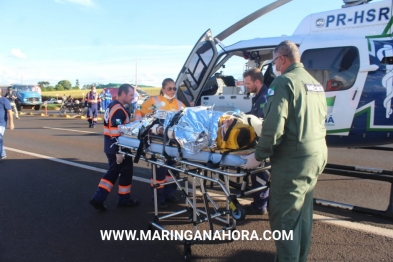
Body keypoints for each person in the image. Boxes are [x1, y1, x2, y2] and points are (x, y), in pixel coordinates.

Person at [242, 40, 327, 261]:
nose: (275, 67)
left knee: (285, 218)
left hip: (293, 161)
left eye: (274, 62)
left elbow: (273, 126)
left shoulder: (283, 83)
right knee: (303, 214)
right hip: (316, 156)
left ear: (281, 59)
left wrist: (258, 156)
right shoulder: (314, 83)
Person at [134, 78, 185, 209]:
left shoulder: (179, 104)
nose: (172, 91)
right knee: (160, 171)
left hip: (174, 142)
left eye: (174, 88)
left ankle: (169, 193)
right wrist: (140, 127)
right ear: (163, 89)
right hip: (158, 142)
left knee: (173, 170)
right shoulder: (153, 101)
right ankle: (158, 197)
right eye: (169, 88)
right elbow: (139, 111)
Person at [90, 83, 139, 211]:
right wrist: (119, 151)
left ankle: (101, 198)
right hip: (117, 147)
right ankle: (118, 199)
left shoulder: (114, 105)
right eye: (131, 94)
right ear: (123, 93)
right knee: (121, 172)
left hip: (112, 146)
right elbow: (114, 130)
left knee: (116, 172)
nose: (133, 97)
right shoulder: (118, 109)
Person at [242, 68, 269, 215]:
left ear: (257, 82)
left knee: (260, 173)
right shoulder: (259, 96)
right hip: (260, 142)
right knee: (262, 174)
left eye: (248, 83)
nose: (246, 86)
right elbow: (253, 116)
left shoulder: (264, 98)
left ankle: (260, 205)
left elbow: (261, 122)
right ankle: (265, 202)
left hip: (261, 143)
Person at [0, 91, 15, 160]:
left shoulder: (4, 100)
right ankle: (2, 153)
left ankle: (1, 154)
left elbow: (9, 112)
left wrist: (11, 123)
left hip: (1, 123)